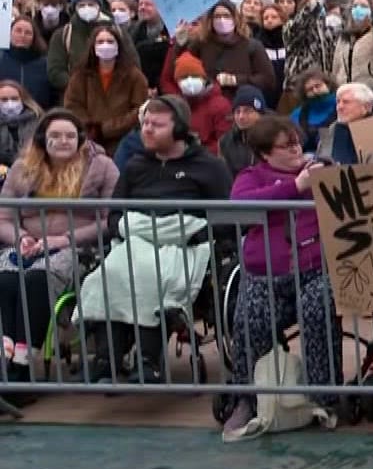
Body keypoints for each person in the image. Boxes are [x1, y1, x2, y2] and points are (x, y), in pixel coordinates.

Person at [79, 97, 232, 382]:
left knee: (153, 274)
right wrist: (124, 227)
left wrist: (195, 233)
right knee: (108, 274)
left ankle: (149, 361)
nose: (147, 130)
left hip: (185, 244)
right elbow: (115, 213)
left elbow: (228, 216)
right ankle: (106, 360)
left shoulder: (209, 166)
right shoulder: (136, 165)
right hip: (135, 240)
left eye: (157, 125)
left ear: (180, 128)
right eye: (145, 123)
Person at [220, 114, 343, 435]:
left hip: (315, 269)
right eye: (286, 146)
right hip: (265, 274)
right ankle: (247, 398)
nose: (296, 150)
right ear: (265, 153)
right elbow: (239, 205)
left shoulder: (320, 170)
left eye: (297, 143)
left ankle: (325, 396)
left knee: (318, 308)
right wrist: (295, 187)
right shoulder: (252, 177)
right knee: (250, 317)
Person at [0, 111, 117, 372]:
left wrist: (63, 239)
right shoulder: (21, 168)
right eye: (55, 135)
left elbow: (110, 219)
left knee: (36, 280)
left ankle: (22, 362)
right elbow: (3, 217)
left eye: (70, 136)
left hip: (78, 248)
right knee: (5, 280)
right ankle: (6, 357)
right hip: (26, 246)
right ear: (43, 138)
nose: (63, 141)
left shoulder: (102, 167)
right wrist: (21, 238)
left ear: (80, 139)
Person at [63, 26, 146, 155]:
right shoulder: (80, 76)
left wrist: (106, 129)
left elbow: (139, 110)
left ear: (118, 46)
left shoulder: (134, 76)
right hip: (88, 142)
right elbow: (73, 105)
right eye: (100, 42)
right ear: (93, 46)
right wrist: (91, 130)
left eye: (110, 41)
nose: (105, 45)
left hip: (123, 142)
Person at [171, 52, 233, 147]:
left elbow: (226, 144)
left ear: (203, 79)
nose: (189, 81)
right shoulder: (177, 106)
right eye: (184, 77)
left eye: (194, 76)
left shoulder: (220, 105)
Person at [1, 12, 53, 111]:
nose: (22, 35)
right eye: (18, 31)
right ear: (10, 33)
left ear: (34, 37)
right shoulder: (1, 59)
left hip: (37, 115)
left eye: (28, 33)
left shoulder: (45, 64)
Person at [220, 86, 267, 175]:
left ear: (260, 114)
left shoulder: (273, 138)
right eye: (237, 111)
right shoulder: (226, 141)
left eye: (247, 111)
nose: (241, 116)